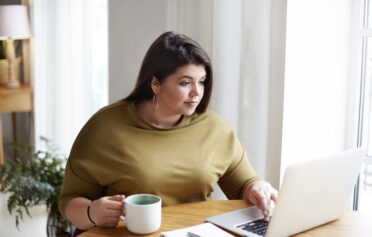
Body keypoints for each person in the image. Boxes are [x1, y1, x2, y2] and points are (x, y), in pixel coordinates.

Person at [58, 31, 278, 232]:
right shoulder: (104, 128)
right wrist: (92, 212)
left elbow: (244, 185)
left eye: (201, 82)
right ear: (155, 84)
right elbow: (69, 201)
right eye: (185, 83)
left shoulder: (213, 127)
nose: (196, 93)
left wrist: (257, 188)